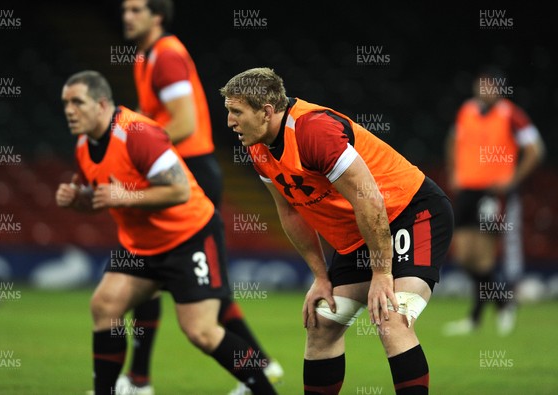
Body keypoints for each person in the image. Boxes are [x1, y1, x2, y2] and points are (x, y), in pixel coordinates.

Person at [220, 67, 454, 394]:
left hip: (410, 212)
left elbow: (368, 197)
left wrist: (382, 273)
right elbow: (290, 209)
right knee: (322, 323)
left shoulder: (313, 130)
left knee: (391, 316)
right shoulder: (257, 147)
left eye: (236, 112)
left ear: (267, 111)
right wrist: (320, 276)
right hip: (361, 231)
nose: (230, 121)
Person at [55, 70, 277, 395]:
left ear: (102, 104)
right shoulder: (83, 146)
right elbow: (106, 197)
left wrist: (124, 196)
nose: (70, 110)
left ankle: (264, 389)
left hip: (189, 237)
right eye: (65, 103)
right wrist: (79, 201)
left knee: (201, 331)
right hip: (141, 247)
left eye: (78, 102)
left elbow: (178, 191)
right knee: (105, 305)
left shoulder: (137, 133)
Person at [120, 1, 282, 394]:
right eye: (124, 9)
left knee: (153, 271)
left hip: (187, 173)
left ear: (158, 16)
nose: (127, 16)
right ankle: (257, 364)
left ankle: (139, 379)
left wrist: (137, 152)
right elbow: (150, 117)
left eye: (137, 9)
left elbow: (184, 122)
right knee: (193, 281)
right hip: (181, 171)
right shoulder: (148, 56)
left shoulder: (168, 56)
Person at [442, 66, 545, 336]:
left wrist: (513, 180)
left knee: (484, 258)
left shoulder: (510, 114)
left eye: (489, 86)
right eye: (480, 85)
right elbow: (452, 140)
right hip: (467, 191)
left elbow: (536, 150)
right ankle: (503, 303)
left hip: (492, 193)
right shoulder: (467, 111)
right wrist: (454, 172)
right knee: (464, 256)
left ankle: (475, 318)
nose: (483, 90)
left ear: (499, 89)